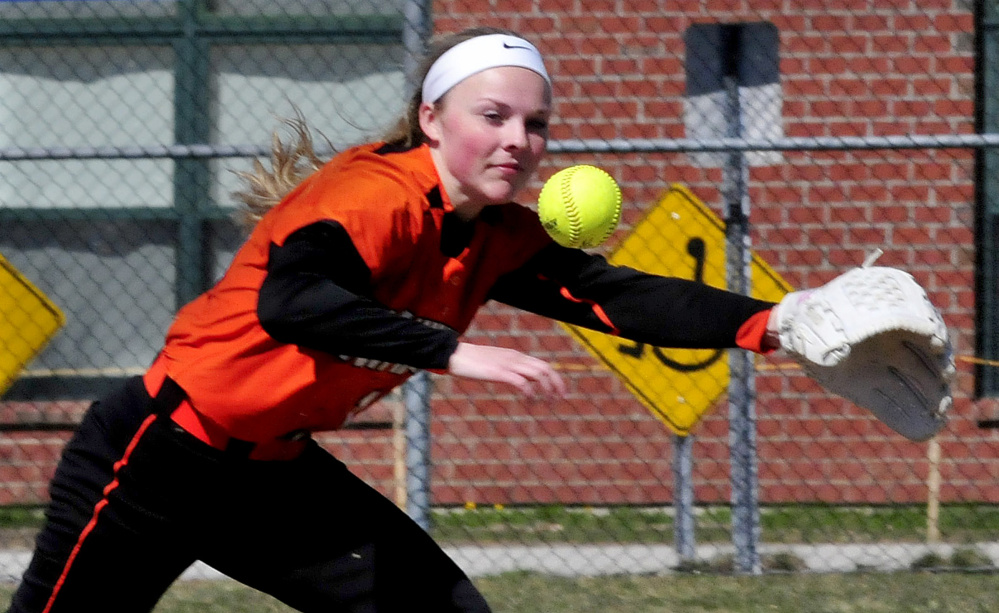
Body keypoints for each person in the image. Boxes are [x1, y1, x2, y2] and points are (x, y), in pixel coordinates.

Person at [8, 26, 780, 613]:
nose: (517, 139)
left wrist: (780, 321)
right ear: (432, 119)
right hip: (158, 457)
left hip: (276, 479)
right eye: (493, 115)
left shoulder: (496, 234)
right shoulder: (375, 195)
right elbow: (294, 302)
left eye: (534, 123)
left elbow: (620, 296)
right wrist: (452, 350)